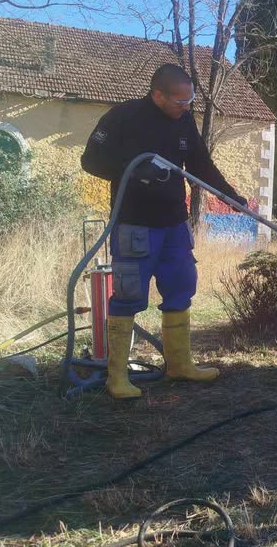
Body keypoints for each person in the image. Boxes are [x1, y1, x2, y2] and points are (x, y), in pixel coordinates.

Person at [81, 63, 247, 399]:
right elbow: (90, 160)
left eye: (190, 102)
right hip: (134, 224)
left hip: (174, 224)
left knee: (181, 287)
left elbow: (200, 163)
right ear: (158, 95)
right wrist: (133, 168)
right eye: (179, 102)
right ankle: (117, 377)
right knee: (128, 296)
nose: (186, 108)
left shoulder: (183, 121)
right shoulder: (122, 117)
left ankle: (179, 365)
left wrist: (229, 194)